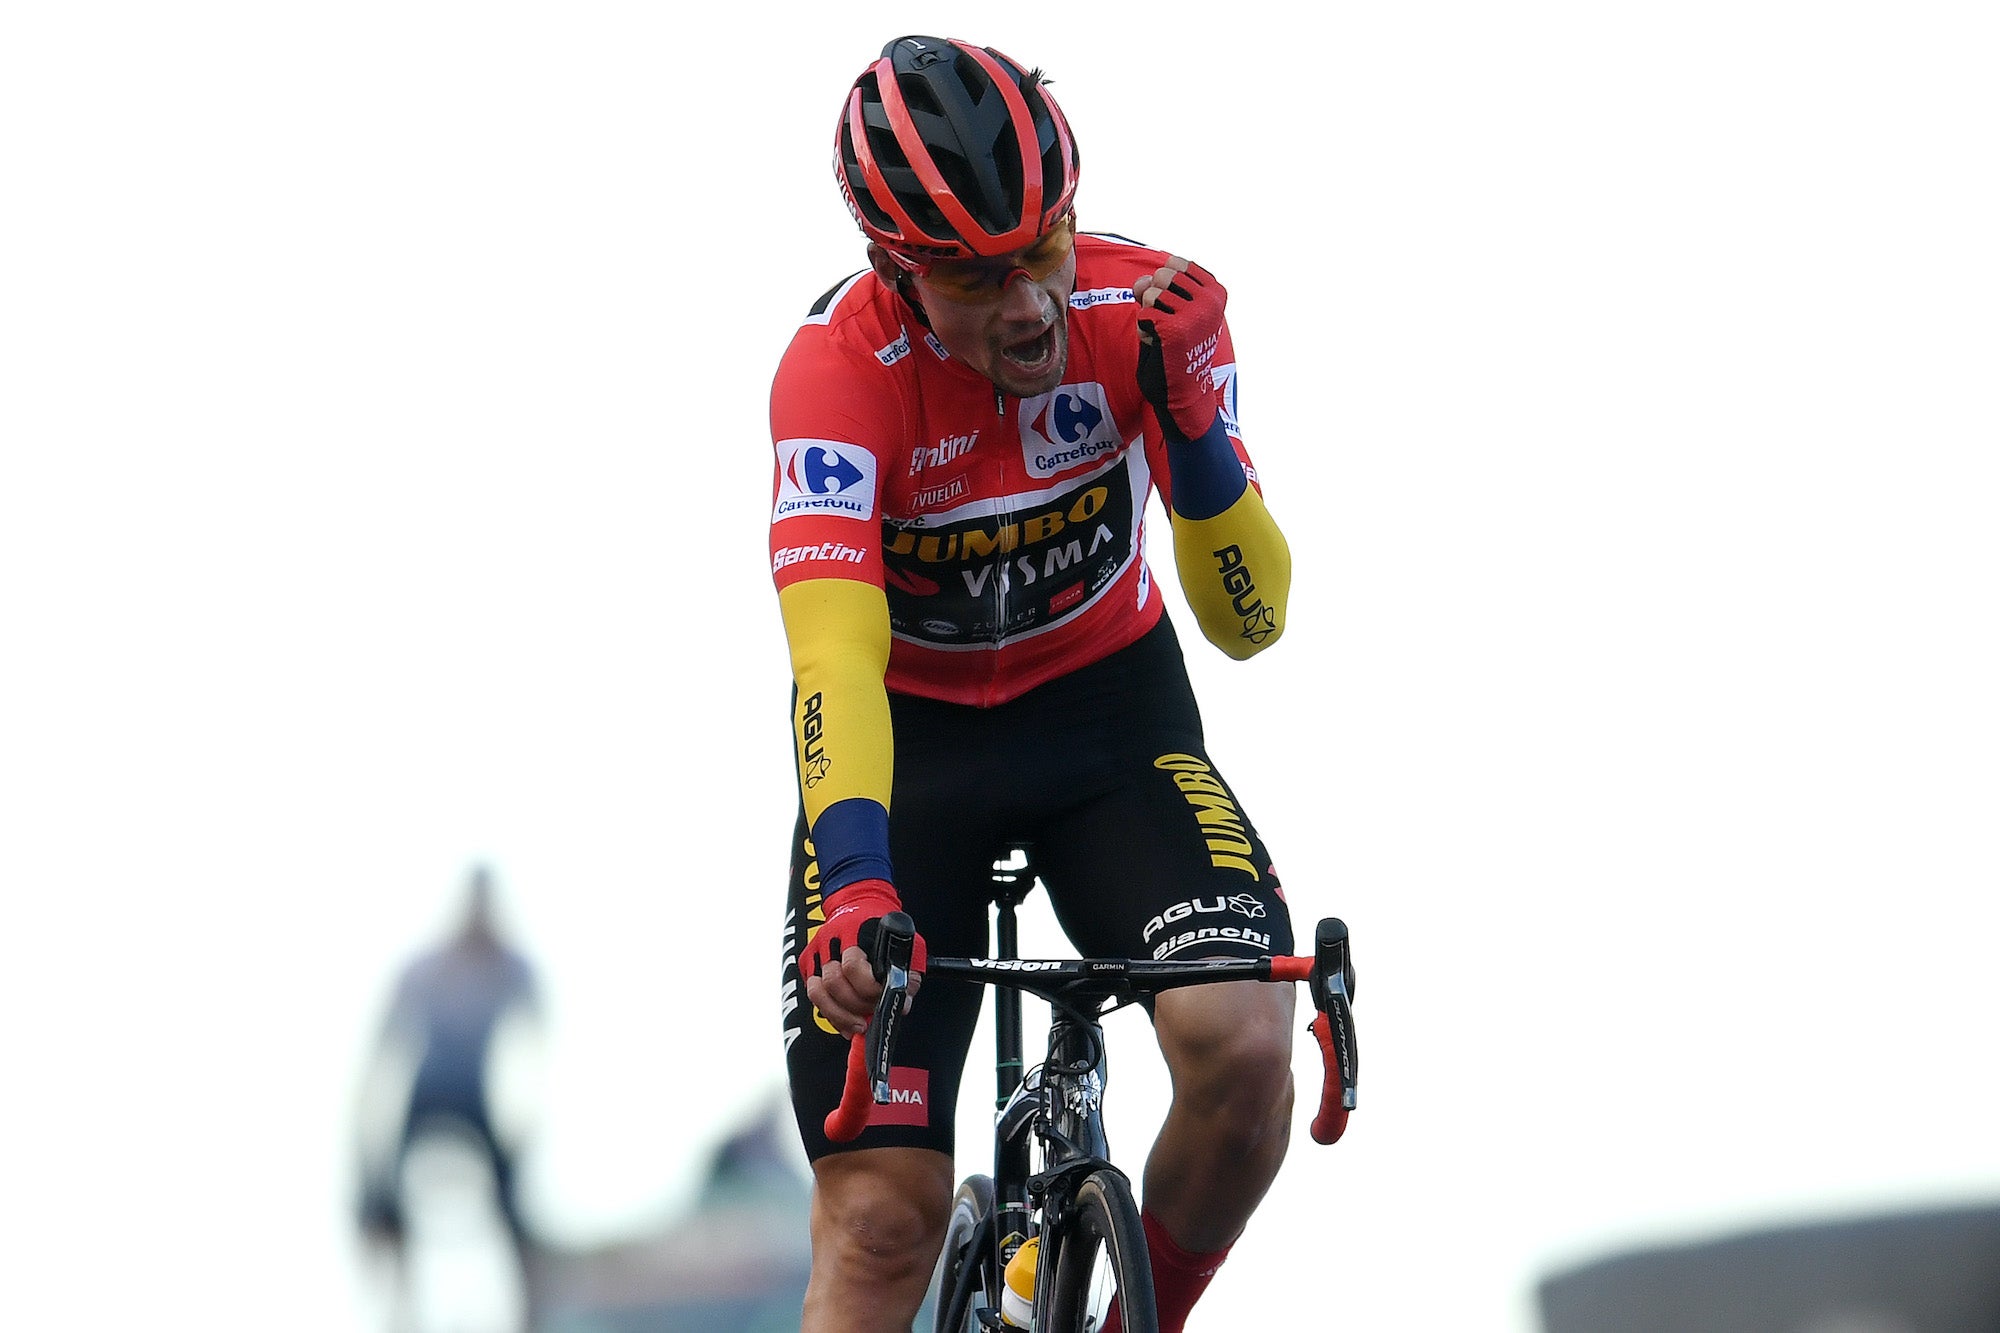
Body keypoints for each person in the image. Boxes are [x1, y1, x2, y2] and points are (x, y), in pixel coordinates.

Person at [770, 35, 1301, 1333]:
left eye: (1044, 249)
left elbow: (1253, 621)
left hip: (1109, 721)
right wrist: (860, 881)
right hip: (915, 750)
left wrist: (1197, 443)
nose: (1025, 304)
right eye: (972, 274)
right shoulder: (838, 377)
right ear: (898, 269)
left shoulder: (1154, 317)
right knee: (882, 1220)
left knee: (1245, 1050)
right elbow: (833, 654)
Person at [355, 864, 545, 1330]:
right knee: (386, 1195)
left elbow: (538, 1045)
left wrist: (526, 1130)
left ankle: (529, 1314)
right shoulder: (422, 968)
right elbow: (381, 1054)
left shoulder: (514, 967)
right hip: (426, 1094)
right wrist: (367, 1148)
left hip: (477, 1098)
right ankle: (401, 1311)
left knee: (511, 1204)